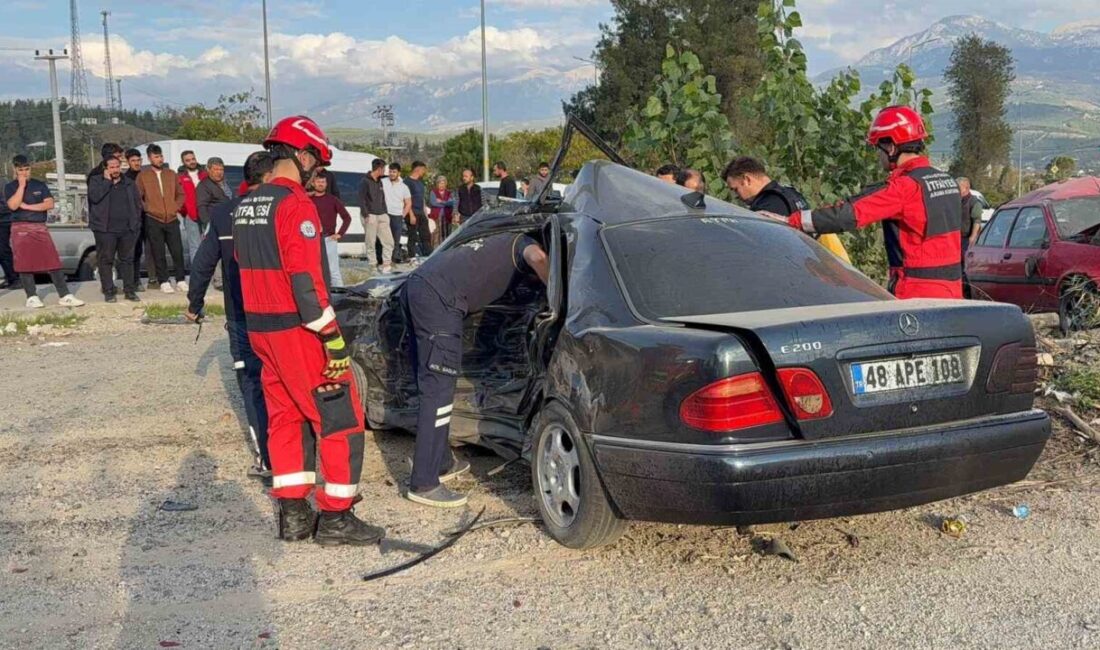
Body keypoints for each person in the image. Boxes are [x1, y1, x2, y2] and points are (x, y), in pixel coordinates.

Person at [234, 115, 384, 546]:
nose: (316, 174)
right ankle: (336, 517)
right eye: (316, 165)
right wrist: (332, 337)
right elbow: (305, 281)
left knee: (285, 419)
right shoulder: (294, 204)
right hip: (298, 329)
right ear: (300, 155)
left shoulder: (248, 203)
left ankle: (294, 516)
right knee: (339, 416)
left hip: (261, 329)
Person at [402, 232, 550, 506]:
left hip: (420, 285)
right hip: (440, 299)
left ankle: (442, 463)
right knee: (438, 391)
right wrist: (557, 293)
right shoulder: (525, 245)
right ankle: (424, 482)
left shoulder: (502, 239)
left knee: (433, 389)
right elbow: (537, 258)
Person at [782, 105, 963, 299]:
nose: (879, 156)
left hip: (916, 296)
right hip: (952, 292)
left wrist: (794, 221)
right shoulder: (948, 181)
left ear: (891, 147)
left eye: (879, 148)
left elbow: (848, 214)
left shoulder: (904, 187)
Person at [186, 151, 275, 480]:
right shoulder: (281, 208)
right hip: (281, 315)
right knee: (282, 380)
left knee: (252, 383)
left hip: (240, 315)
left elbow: (203, 263)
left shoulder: (223, 213)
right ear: (268, 178)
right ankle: (299, 455)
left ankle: (268, 458)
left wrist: (194, 304)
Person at [723, 156, 852, 263]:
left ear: (747, 179)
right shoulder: (790, 192)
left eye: (735, 189)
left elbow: (765, 255)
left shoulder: (768, 205)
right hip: (823, 265)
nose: (736, 195)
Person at [3, 155, 85, 308]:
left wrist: (27, 206)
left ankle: (64, 294)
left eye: (27, 169)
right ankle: (31, 296)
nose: (24, 173)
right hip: (20, 228)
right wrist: (21, 186)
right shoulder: (10, 187)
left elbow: (49, 204)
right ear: (15, 170)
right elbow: (13, 205)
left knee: (52, 261)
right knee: (24, 263)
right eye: (21, 170)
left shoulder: (39, 185)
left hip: (39, 226)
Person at [87, 156, 143, 302]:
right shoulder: (96, 181)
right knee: (106, 260)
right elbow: (94, 198)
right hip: (105, 229)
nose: (115, 169)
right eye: (111, 167)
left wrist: (136, 223)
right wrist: (107, 181)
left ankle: (129, 290)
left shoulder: (129, 183)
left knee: (128, 260)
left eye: (117, 166)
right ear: (105, 168)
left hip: (127, 229)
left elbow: (137, 204)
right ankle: (108, 290)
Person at [136, 144, 188, 293]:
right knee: (158, 252)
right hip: (153, 218)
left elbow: (181, 194)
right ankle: (164, 280)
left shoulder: (171, 174)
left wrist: (174, 207)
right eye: (156, 157)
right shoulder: (143, 176)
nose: (160, 159)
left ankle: (180, 279)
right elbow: (138, 196)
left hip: (171, 218)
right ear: (149, 158)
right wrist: (148, 208)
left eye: (161, 156)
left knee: (177, 251)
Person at [310, 172, 351, 288]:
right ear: (313, 184)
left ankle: (341, 295)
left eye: (323, 182)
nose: (321, 184)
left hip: (329, 239)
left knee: (334, 272)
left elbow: (347, 218)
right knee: (314, 270)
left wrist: (340, 233)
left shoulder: (333, 200)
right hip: (312, 240)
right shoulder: (308, 200)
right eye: (318, 182)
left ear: (326, 184)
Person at [357, 158, 394, 273]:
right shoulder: (365, 181)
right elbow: (361, 198)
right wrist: (365, 214)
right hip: (370, 215)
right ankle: (373, 265)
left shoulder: (380, 181)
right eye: (383, 169)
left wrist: (385, 212)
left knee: (389, 241)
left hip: (382, 214)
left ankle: (386, 264)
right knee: (370, 241)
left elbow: (382, 198)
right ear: (379, 169)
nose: (385, 172)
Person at [124, 149, 153, 291]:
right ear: (128, 162)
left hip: (147, 217)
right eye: (133, 161)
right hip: (132, 219)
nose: (136, 163)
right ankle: (133, 281)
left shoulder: (146, 175)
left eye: (138, 160)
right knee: (133, 251)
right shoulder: (126, 178)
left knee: (146, 250)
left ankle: (152, 279)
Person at [178, 150, 207, 264]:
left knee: (208, 245)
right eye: (188, 160)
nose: (191, 162)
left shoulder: (205, 174)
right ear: (183, 162)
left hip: (206, 214)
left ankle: (212, 276)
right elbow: (178, 196)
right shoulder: (180, 177)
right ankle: (196, 275)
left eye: (193, 159)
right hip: (190, 215)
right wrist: (184, 211)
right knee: (195, 246)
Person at [958, 177, 984, 298]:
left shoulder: (974, 202)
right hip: (956, 238)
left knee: (964, 267)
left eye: (959, 188)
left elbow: (977, 221)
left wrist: (973, 237)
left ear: (966, 188)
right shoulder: (957, 200)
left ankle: (967, 293)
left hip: (966, 239)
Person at [383, 162, 413, 264]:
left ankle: (393, 261)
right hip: (384, 214)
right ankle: (382, 261)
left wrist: (402, 215)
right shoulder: (383, 182)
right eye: (390, 171)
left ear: (399, 173)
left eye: (394, 172)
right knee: (383, 239)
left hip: (397, 216)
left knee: (395, 240)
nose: (391, 174)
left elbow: (408, 203)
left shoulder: (404, 187)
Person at [404, 161, 431, 259]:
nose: (424, 172)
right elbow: (406, 200)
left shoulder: (420, 182)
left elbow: (422, 198)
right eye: (423, 170)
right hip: (412, 212)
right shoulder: (407, 182)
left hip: (421, 213)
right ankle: (412, 257)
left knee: (426, 235)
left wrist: (425, 213)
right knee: (413, 236)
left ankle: (428, 255)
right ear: (417, 169)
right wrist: (411, 214)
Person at [196, 157, 231, 228]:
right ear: (208, 170)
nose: (219, 172)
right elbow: (202, 207)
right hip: (214, 223)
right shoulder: (204, 185)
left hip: (228, 221)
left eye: (221, 169)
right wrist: (208, 224)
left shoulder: (226, 183)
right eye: (216, 169)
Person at [427, 175, 457, 251]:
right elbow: (433, 203)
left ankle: (446, 249)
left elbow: (452, 203)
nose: (441, 185)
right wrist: (446, 203)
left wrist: (441, 201)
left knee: (447, 232)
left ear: (446, 184)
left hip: (447, 216)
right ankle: (435, 250)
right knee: (436, 234)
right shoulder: (433, 192)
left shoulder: (449, 193)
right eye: (440, 183)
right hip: (436, 216)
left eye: (443, 183)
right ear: (437, 184)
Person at [0, 172, 15, 290]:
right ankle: (11, 277)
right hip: (4, 219)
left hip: (3, 220)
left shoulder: (3, 183)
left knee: (3, 250)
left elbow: (6, 205)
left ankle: (13, 278)